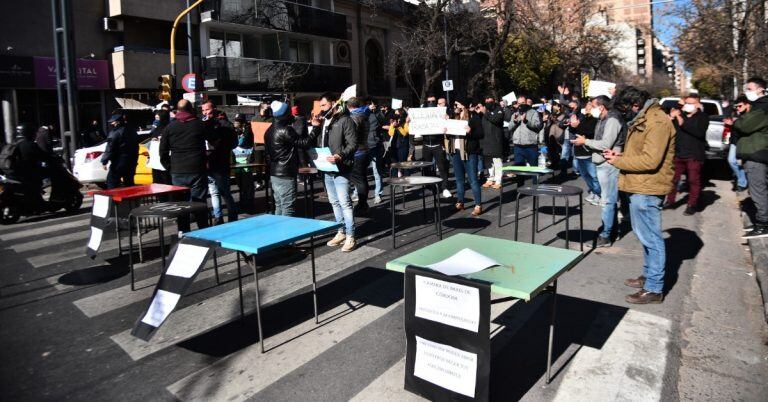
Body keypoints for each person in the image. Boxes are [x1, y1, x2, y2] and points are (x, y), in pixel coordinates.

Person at [604, 87, 676, 304]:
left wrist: (619, 161)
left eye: (625, 109)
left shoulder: (657, 122)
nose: (624, 114)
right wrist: (621, 155)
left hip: (648, 188)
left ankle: (654, 288)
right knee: (645, 237)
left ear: (635, 105)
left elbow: (650, 161)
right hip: (640, 186)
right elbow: (641, 153)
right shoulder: (647, 117)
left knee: (651, 238)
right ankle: (648, 277)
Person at [572, 95, 625, 247]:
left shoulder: (612, 119)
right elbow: (599, 142)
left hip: (609, 164)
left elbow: (606, 143)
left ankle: (606, 235)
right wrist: (584, 142)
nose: (591, 108)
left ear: (601, 107)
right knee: (609, 201)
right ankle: (610, 230)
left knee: (607, 201)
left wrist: (585, 141)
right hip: (602, 162)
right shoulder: (603, 119)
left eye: (593, 105)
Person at [312, 92, 358, 252]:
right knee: (334, 202)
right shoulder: (324, 121)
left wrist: (340, 155)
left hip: (341, 167)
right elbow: (319, 142)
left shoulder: (346, 120)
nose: (321, 109)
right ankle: (341, 231)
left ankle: (351, 235)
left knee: (344, 202)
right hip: (327, 168)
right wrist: (316, 127)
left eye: (324, 105)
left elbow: (353, 144)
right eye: (320, 106)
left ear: (333, 104)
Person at [160, 99, 211, 232]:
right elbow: (214, 141)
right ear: (191, 109)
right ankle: (204, 232)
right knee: (199, 203)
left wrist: (170, 167)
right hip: (197, 169)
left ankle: (183, 233)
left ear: (177, 110)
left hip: (178, 171)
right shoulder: (199, 125)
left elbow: (163, 151)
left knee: (181, 206)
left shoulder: (170, 127)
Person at [264, 100, 319, 216]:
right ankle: (286, 233)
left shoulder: (268, 131)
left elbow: (268, 155)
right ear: (283, 115)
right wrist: (316, 129)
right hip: (286, 172)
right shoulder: (286, 130)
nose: (291, 115)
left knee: (279, 206)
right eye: (289, 112)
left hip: (275, 172)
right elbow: (304, 143)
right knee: (288, 208)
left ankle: (279, 231)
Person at [664, 93, 709, 215]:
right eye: (687, 103)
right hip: (678, 153)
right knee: (673, 179)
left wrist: (681, 121)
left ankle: (691, 204)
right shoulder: (680, 115)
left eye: (691, 103)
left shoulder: (703, 117)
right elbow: (665, 127)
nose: (688, 105)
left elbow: (698, 132)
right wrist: (670, 117)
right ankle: (670, 201)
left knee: (693, 180)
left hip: (694, 155)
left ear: (698, 104)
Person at [734, 87, 768, 239]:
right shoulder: (757, 110)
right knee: (758, 190)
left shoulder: (761, 110)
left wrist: (738, 119)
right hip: (755, 155)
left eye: (749, 88)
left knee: (758, 191)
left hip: (756, 157)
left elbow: (743, 126)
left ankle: (763, 225)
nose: (747, 90)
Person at [202, 101, 239, 224]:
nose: (205, 113)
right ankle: (218, 217)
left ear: (214, 109)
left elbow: (233, 143)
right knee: (214, 192)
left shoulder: (224, 124)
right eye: (203, 110)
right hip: (210, 163)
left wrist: (220, 144)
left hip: (220, 163)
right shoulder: (206, 124)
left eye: (207, 110)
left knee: (224, 192)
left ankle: (232, 215)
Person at [4, 123, 51, 208]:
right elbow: (43, 155)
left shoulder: (15, 144)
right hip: (27, 173)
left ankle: (36, 199)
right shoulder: (29, 144)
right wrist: (52, 158)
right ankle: (38, 201)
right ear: (29, 133)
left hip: (13, 173)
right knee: (44, 174)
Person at [449, 101, 484, 215]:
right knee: (459, 179)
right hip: (456, 152)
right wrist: (445, 131)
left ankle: (478, 205)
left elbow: (480, 134)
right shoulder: (454, 118)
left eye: (457, 105)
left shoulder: (473, 118)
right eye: (454, 106)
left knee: (473, 180)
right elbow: (450, 135)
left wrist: (470, 131)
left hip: (469, 153)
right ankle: (460, 202)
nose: (455, 108)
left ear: (463, 106)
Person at [570, 103, 601, 205]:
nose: (587, 111)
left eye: (589, 109)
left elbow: (590, 131)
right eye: (586, 109)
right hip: (579, 152)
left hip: (588, 152)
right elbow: (575, 132)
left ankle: (599, 194)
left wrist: (578, 126)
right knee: (585, 175)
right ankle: (592, 191)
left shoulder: (596, 120)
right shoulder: (582, 119)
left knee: (593, 175)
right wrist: (573, 126)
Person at [420, 96, 451, 198]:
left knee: (442, 167)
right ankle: (429, 187)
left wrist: (447, 119)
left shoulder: (442, 112)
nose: (431, 103)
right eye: (429, 101)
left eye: (433, 101)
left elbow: (450, 125)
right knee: (426, 168)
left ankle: (445, 187)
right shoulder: (422, 112)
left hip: (438, 144)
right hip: (426, 144)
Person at [348, 98, 372, 214]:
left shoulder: (354, 117)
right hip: (364, 150)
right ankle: (363, 203)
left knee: (359, 179)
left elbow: (351, 136)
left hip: (357, 152)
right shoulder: (364, 115)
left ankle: (362, 204)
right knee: (362, 178)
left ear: (349, 106)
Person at [101, 114, 138, 189]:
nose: (111, 124)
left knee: (111, 182)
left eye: (113, 122)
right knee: (129, 183)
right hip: (131, 161)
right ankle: (131, 200)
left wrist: (104, 161)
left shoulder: (115, 132)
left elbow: (110, 148)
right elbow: (136, 146)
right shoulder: (132, 130)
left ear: (117, 122)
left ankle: (114, 200)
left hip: (118, 161)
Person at [478, 96, 505, 189]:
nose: (487, 102)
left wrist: (485, 112)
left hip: (495, 139)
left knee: (497, 160)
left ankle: (498, 180)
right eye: (486, 100)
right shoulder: (484, 111)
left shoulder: (499, 110)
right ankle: (490, 178)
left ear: (494, 100)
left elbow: (495, 119)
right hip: (485, 140)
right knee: (488, 161)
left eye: (489, 100)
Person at [724, 95, 750, 191]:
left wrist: (734, 124)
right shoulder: (734, 112)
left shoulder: (751, 114)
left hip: (746, 141)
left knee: (745, 163)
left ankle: (743, 182)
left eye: (740, 106)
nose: (738, 108)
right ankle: (742, 180)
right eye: (736, 106)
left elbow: (746, 127)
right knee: (731, 160)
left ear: (747, 105)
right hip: (735, 140)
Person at [365, 97, 386, 204]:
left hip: (375, 145)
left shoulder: (378, 114)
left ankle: (378, 194)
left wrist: (377, 112)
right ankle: (357, 193)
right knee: (360, 172)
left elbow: (383, 121)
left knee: (376, 170)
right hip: (363, 146)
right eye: (371, 104)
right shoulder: (363, 114)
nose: (373, 106)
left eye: (374, 105)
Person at [511, 102, 543, 167]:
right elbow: (509, 128)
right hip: (518, 146)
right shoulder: (515, 114)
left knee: (533, 168)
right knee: (519, 169)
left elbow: (538, 125)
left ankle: (534, 177)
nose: (520, 104)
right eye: (518, 102)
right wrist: (514, 122)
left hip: (530, 145)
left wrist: (526, 121)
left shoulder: (533, 112)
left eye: (522, 102)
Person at [386, 108, 413, 175]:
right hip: (394, 145)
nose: (395, 115)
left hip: (403, 145)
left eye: (397, 113)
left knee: (403, 163)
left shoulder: (405, 122)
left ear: (401, 114)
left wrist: (398, 127)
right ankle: (395, 180)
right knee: (394, 164)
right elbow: (390, 133)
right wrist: (392, 126)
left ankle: (406, 179)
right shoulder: (394, 121)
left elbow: (405, 133)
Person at [149, 110, 171, 185]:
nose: (156, 120)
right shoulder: (166, 128)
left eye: (158, 118)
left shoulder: (165, 129)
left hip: (161, 163)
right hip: (160, 163)